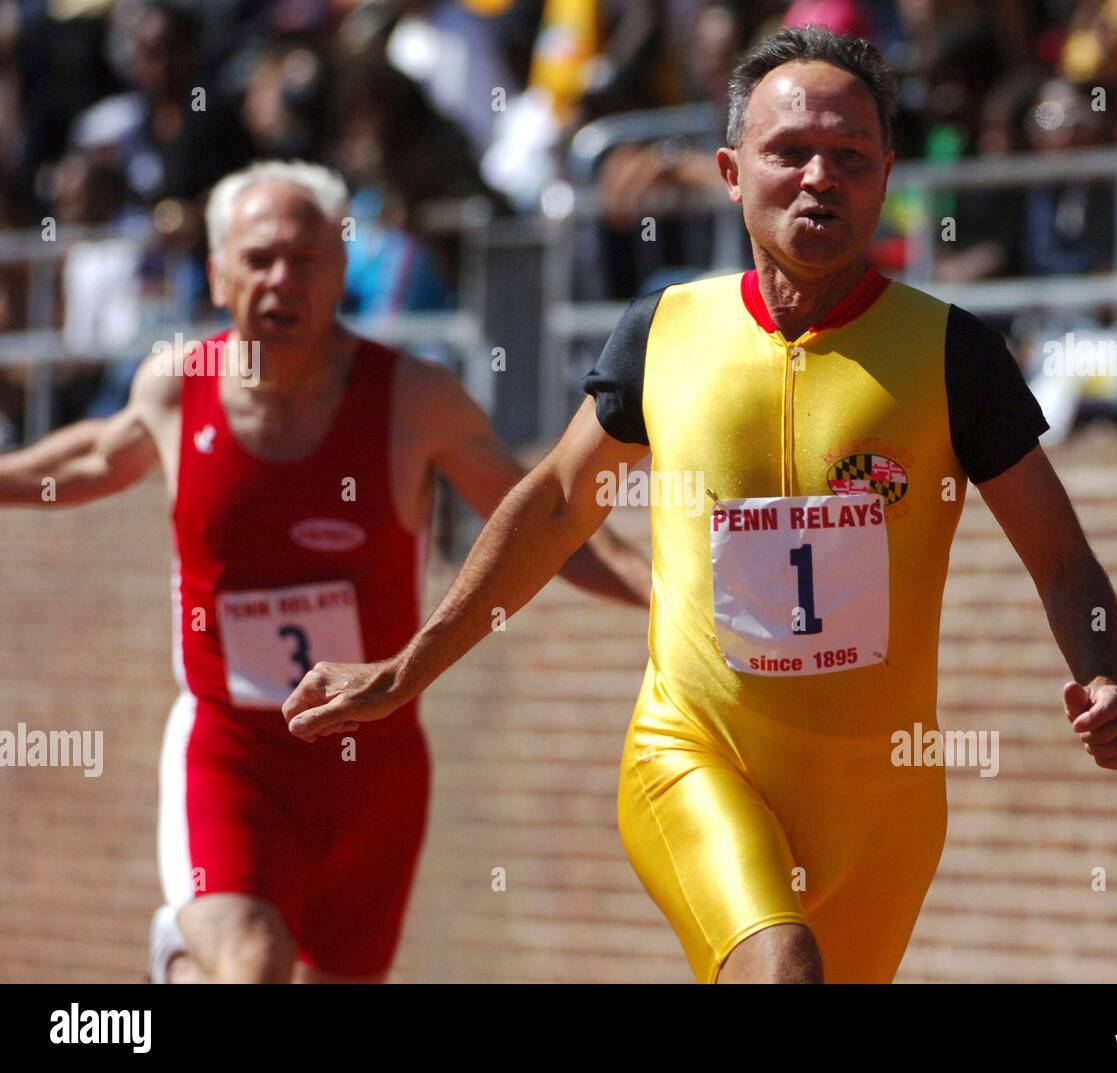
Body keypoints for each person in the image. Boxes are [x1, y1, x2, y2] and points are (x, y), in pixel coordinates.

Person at [282, 28, 1117, 984]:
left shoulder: (952, 355)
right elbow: (561, 501)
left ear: (887, 175)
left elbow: (1064, 560)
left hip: (883, 804)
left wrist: (1100, 674)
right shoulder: (663, 332)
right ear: (732, 172)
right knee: (782, 967)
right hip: (693, 754)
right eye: (790, 153)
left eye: (852, 157)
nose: (821, 177)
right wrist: (407, 669)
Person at [0, 159, 650, 984]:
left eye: (306, 259)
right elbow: (90, 455)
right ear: (217, 274)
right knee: (253, 962)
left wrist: (661, 592)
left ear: (342, 270)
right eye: (260, 259)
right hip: (231, 750)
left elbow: (551, 525)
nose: (283, 279)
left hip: (373, 766)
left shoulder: (416, 399)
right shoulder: (176, 387)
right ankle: (190, 946)